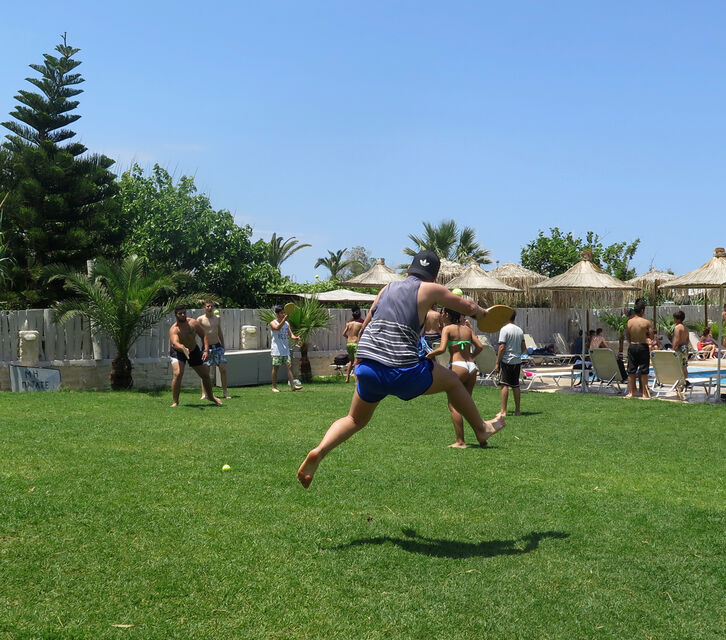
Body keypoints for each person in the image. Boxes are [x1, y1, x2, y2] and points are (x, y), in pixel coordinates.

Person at [297, 250, 505, 488]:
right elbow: (465, 305)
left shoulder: (386, 288)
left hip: (368, 366)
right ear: (434, 276)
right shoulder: (430, 289)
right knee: (452, 381)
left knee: (354, 418)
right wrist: (483, 314)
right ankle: (481, 429)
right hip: (402, 369)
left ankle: (320, 451)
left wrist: (359, 363)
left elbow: (366, 325)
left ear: (408, 270)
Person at [426, 308, 483, 448]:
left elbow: (441, 349)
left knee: (454, 406)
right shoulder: (467, 329)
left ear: (448, 314)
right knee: (467, 405)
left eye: (442, 313)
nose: (441, 315)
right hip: (472, 367)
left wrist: (428, 355)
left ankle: (460, 441)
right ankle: (482, 436)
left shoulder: (448, 329)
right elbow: (480, 346)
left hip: (458, 366)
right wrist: (471, 356)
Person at [168, 305, 223, 407]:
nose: (183, 315)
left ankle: (211, 397)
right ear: (176, 315)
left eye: (184, 312)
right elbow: (175, 343)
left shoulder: (193, 323)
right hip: (178, 352)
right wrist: (182, 348)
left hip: (193, 350)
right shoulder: (174, 329)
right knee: (178, 373)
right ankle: (175, 402)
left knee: (205, 375)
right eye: (180, 313)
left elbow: (204, 335)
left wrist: (206, 350)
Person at [494, 310, 526, 418]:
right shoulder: (519, 330)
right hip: (517, 361)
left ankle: (503, 411)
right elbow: (524, 347)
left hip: (507, 361)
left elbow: (501, 347)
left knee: (504, 385)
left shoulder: (504, 329)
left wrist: (497, 363)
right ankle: (518, 411)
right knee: (516, 385)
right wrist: (517, 354)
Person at [197, 300, 231, 399]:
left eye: (211, 306)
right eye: (208, 306)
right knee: (205, 371)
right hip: (207, 348)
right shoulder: (200, 319)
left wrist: (223, 345)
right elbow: (196, 332)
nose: (210, 308)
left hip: (217, 346)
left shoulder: (217, 318)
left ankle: (225, 392)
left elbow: (219, 332)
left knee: (223, 369)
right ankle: (204, 393)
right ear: (204, 308)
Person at [270, 305, 303, 392]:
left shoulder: (287, 324)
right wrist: (284, 320)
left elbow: (291, 334)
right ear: (277, 314)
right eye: (281, 313)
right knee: (276, 368)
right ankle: (274, 387)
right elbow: (277, 328)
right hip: (277, 350)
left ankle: (293, 386)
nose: (283, 314)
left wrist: (296, 338)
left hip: (286, 350)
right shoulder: (272, 323)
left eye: (283, 313)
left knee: (289, 367)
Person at [625, 299, 652, 399]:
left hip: (632, 346)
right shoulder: (646, 322)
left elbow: (627, 336)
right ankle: (644, 393)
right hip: (642, 346)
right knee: (644, 370)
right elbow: (651, 336)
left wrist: (632, 342)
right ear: (642, 310)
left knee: (631, 370)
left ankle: (631, 392)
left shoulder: (629, 322)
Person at [343, 307, 364, 383]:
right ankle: (356, 380)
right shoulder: (361, 324)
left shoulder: (349, 324)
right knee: (356, 362)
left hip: (349, 343)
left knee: (350, 361)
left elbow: (343, 334)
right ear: (359, 316)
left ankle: (347, 378)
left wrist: (349, 337)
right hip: (355, 344)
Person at [672, 310, 690, 383]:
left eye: (674, 318)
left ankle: (679, 384)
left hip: (679, 348)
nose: (673, 320)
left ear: (678, 319)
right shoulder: (686, 328)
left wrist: (673, 349)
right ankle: (685, 382)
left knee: (678, 367)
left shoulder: (677, 327)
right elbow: (688, 340)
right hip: (685, 348)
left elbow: (677, 339)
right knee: (684, 367)